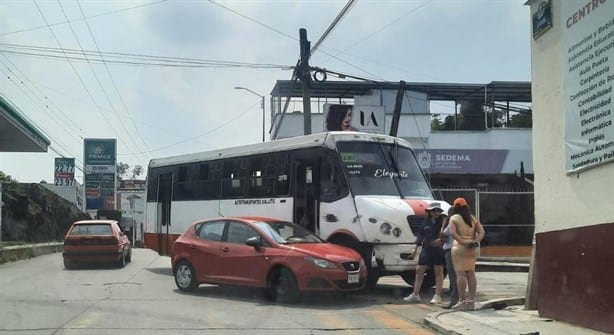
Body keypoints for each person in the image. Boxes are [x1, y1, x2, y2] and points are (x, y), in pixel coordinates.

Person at [403, 202, 446, 304]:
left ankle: (437, 295)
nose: (436, 213)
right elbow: (421, 235)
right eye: (434, 211)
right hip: (426, 248)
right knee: (419, 269)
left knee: (438, 271)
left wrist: (441, 240)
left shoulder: (442, 222)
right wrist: (415, 247)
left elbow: (447, 234)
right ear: (429, 212)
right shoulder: (426, 222)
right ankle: (415, 294)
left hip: (438, 249)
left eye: (438, 211)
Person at [448, 197, 485, 311]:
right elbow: (482, 232)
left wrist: (463, 242)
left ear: (455, 207)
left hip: (459, 247)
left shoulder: (454, 218)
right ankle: (471, 301)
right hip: (472, 248)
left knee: (461, 274)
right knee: (471, 273)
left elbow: (453, 233)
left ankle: (462, 301)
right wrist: (475, 241)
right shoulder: (473, 218)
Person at [440, 206, 458, 309]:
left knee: (453, 275)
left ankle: (454, 300)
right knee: (460, 275)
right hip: (460, 249)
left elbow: (442, 235)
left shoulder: (451, 222)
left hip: (450, 250)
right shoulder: (465, 221)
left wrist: (443, 224)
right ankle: (460, 299)